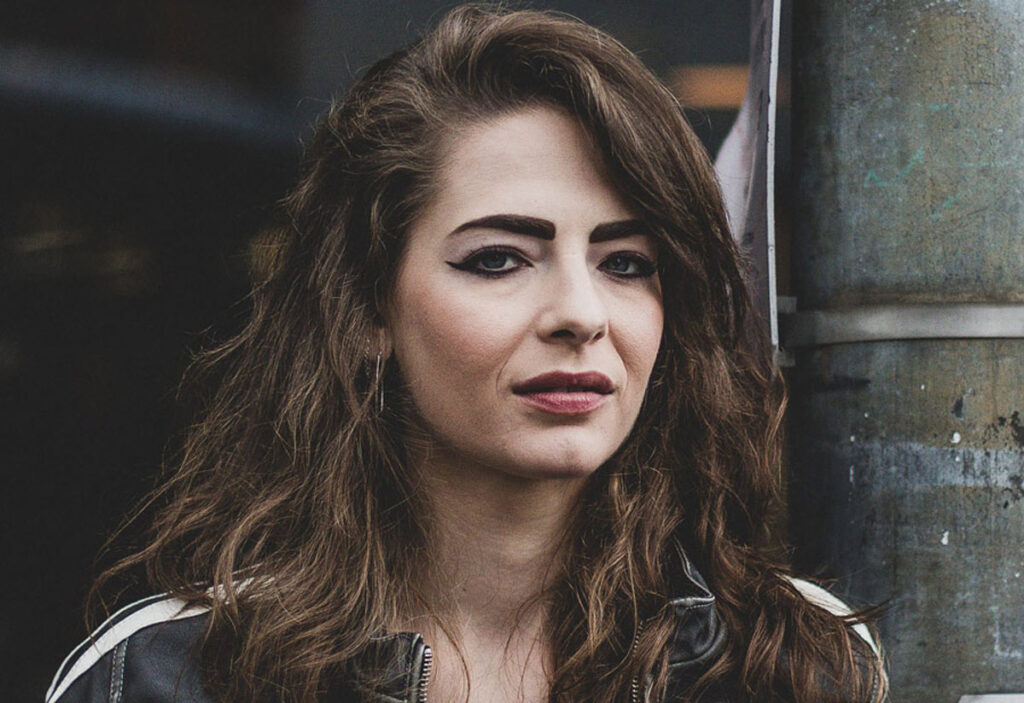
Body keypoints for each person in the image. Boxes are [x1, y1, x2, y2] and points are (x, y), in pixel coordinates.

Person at [45, 5, 887, 703]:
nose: (579, 314)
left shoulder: (790, 664)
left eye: (626, 263)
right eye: (498, 259)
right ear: (369, 306)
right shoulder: (164, 676)